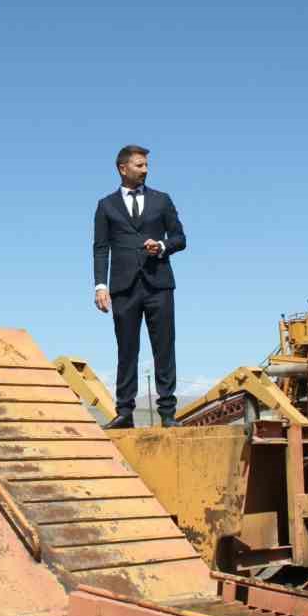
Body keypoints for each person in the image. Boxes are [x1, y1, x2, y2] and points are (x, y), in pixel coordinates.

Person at [93, 145, 186, 428]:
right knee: (127, 349)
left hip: (159, 284)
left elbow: (180, 238)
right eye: (139, 165)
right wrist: (100, 285)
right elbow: (100, 248)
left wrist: (161, 245)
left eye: (146, 165)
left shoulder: (162, 200)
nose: (145, 170)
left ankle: (168, 413)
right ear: (123, 168)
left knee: (164, 348)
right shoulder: (106, 205)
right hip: (123, 288)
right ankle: (124, 412)